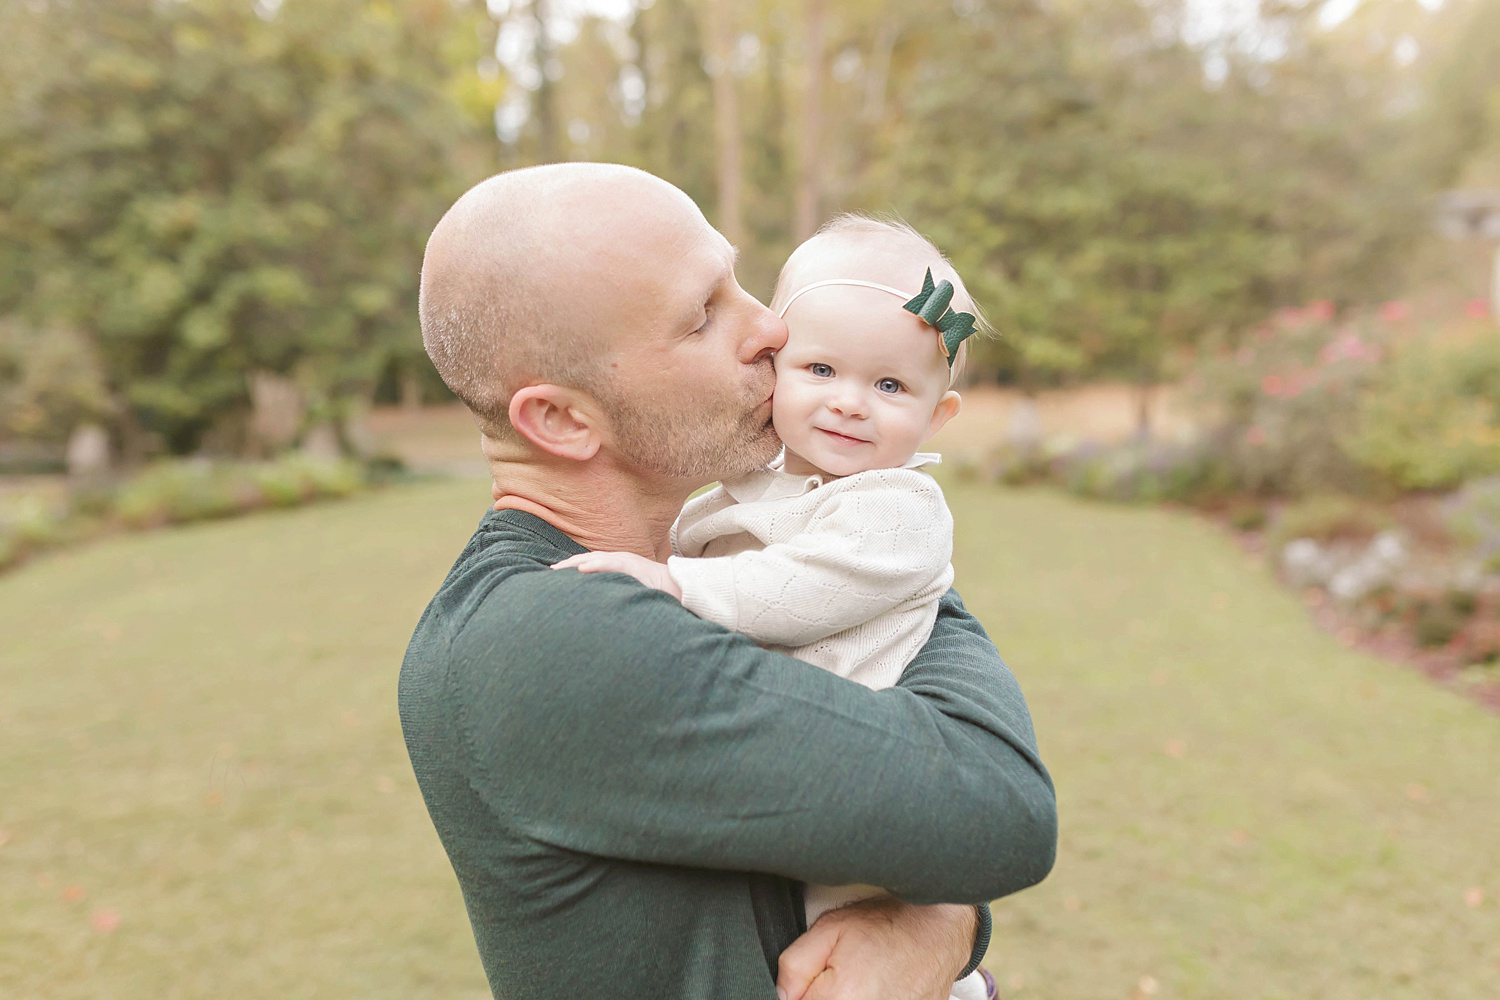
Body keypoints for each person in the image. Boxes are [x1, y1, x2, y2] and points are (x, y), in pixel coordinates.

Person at [399, 162, 1056, 1000]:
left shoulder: (718, 549)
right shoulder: (550, 633)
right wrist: (950, 912)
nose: (772, 333)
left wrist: (936, 923)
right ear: (563, 419)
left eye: (741, 282)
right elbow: (999, 811)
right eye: (704, 316)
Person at [552, 216, 994, 1000]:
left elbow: (798, 593)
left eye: (890, 386)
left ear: (939, 415)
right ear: (773, 371)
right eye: (821, 368)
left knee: (857, 941)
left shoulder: (897, 507)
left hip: (855, 783)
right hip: (778, 772)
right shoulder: (742, 492)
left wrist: (672, 586)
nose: (851, 403)